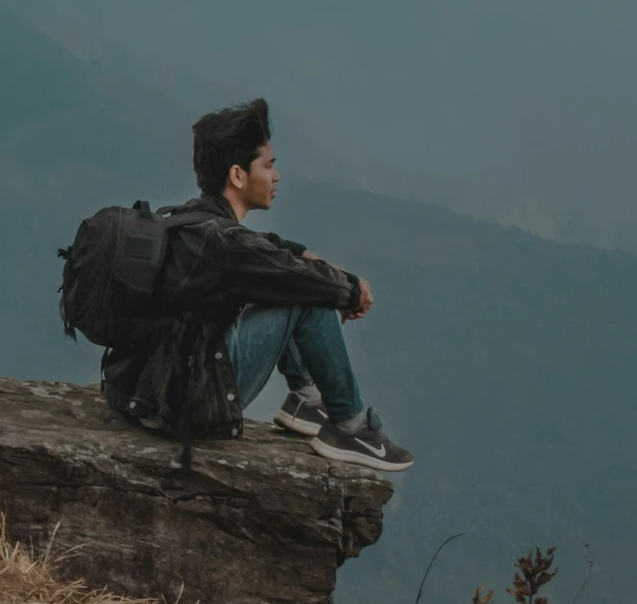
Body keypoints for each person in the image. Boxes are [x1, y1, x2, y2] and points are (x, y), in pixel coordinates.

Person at [100, 98, 414, 472]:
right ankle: (351, 427)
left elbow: (271, 250)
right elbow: (282, 269)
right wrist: (350, 292)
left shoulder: (191, 220)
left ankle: (305, 402)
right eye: (268, 165)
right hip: (187, 406)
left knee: (294, 280)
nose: (276, 176)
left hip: (146, 395)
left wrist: (341, 277)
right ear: (237, 175)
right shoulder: (225, 243)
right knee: (303, 293)